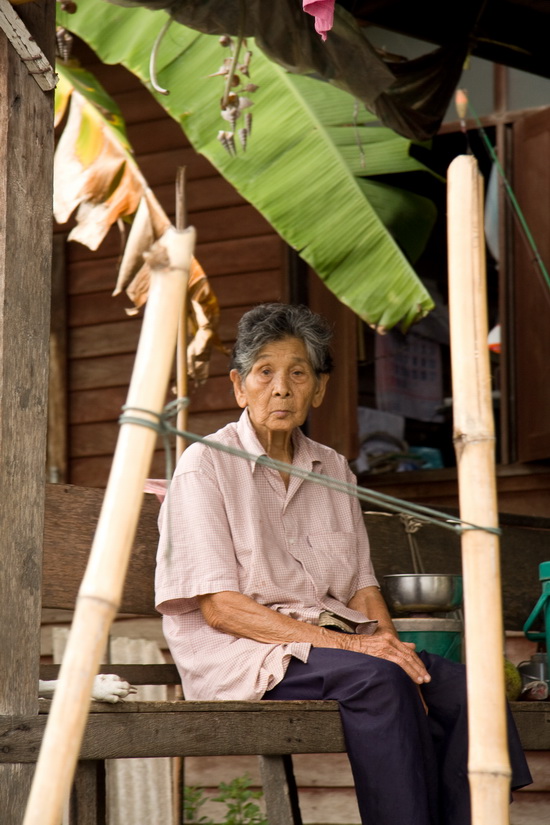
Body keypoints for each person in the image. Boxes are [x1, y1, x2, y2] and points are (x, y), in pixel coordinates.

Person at [155, 303, 531, 825]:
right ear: (240, 387)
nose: (281, 388)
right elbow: (221, 609)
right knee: (381, 682)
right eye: (265, 373)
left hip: (330, 645)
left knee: (468, 689)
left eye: (297, 373)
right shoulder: (206, 465)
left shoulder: (332, 467)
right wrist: (363, 648)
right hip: (246, 655)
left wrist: (393, 647)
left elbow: (360, 586)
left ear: (319, 389)